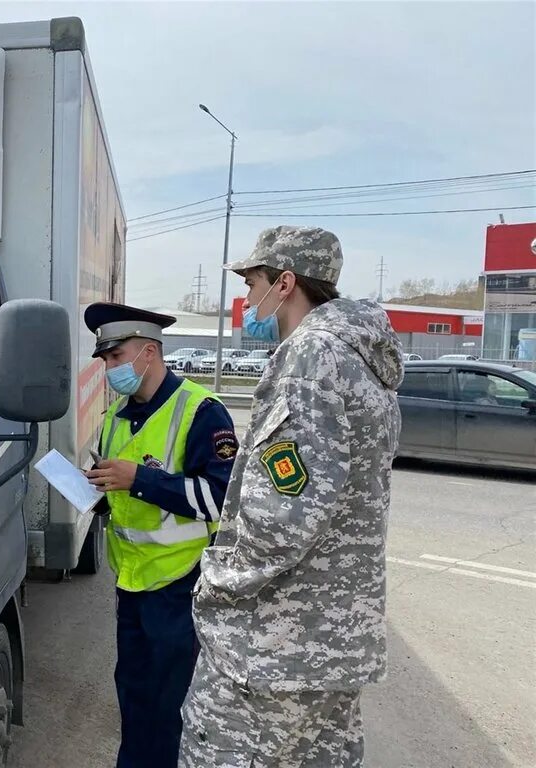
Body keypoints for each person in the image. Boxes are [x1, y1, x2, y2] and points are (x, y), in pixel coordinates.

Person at [178, 226, 404, 768]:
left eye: (253, 282)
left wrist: (218, 581)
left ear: (285, 283)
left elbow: (284, 513)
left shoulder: (310, 355)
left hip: (274, 645)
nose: (248, 297)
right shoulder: (362, 357)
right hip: (331, 642)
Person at [82, 302, 238, 768]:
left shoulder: (202, 411)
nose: (109, 369)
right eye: (105, 360)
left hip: (179, 585)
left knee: (172, 705)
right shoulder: (116, 417)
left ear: (148, 352)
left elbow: (222, 502)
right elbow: (120, 495)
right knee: (133, 696)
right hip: (130, 583)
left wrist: (139, 480)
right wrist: (97, 490)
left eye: (115, 357)